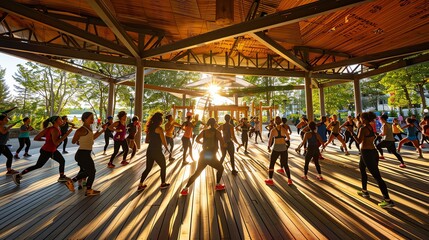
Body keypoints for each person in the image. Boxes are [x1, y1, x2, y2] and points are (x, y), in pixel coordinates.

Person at [12, 116, 73, 186]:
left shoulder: (49, 129)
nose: (62, 121)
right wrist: (66, 134)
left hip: (50, 150)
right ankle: (18, 175)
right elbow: (56, 142)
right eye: (60, 120)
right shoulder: (55, 130)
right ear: (55, 121)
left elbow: (36, 138)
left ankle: (61, 177)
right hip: (47, 151)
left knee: (62, 161)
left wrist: (46, 140)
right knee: (38, 165)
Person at [356, 112, 394, 208]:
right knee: (362, 168)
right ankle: (364, 191)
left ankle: (388, 200)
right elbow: (374, 136)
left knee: (377, 176)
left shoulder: (363, 128)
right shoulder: (370, 127)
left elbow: (358, 141)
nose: (359, 119)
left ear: (363, 119)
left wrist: (352, 133)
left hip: (366, 153)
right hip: (373, 152)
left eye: (360, 118)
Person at [180, 118, 226, 196]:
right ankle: (218, 185)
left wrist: (204, 144)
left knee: (197, 172)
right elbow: (222, 144)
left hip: (203, 154)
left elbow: (197, 140)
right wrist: (225, 146)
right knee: (221, 168)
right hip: (211, 155)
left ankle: (185, 189)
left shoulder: (204, 132)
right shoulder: (217, 132)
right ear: (215, 123)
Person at [65, 112, 106, 196]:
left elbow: (93, 137)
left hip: (85, 153)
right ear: (85, 119)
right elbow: (73, 141)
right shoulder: (81, 129)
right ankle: (87, 189)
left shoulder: (88, 128)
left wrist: (102, 131)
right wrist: (78, 141)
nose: (93, 119)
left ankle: (73, 182)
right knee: (92, 172)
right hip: (82, 154)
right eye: (91, 118)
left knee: (90, 171)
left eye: (93, 118)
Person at [137, 112, 170, 191]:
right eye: (161, 119)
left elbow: (146, 141)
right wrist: (167, 148)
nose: (162, 121)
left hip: (150, 150)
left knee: (148, 168)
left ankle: (140, 184)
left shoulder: (150, 128)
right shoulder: (159, 129)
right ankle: (163, 183)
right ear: (159, 120)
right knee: (163, 166)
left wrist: (154, 140)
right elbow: (164, 140)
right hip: (157, 151)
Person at [266, 116, 292, 186]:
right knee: (285, 164)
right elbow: (288, 138)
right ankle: (289, 180)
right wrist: (284, 140)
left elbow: (270, 140)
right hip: (283, 148)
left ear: (274, 122)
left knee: (272, 164)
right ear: (280, 121)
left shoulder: (273, 130)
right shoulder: (284, 129)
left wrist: (268, 147)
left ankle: (270, 180)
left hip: (276, 148)